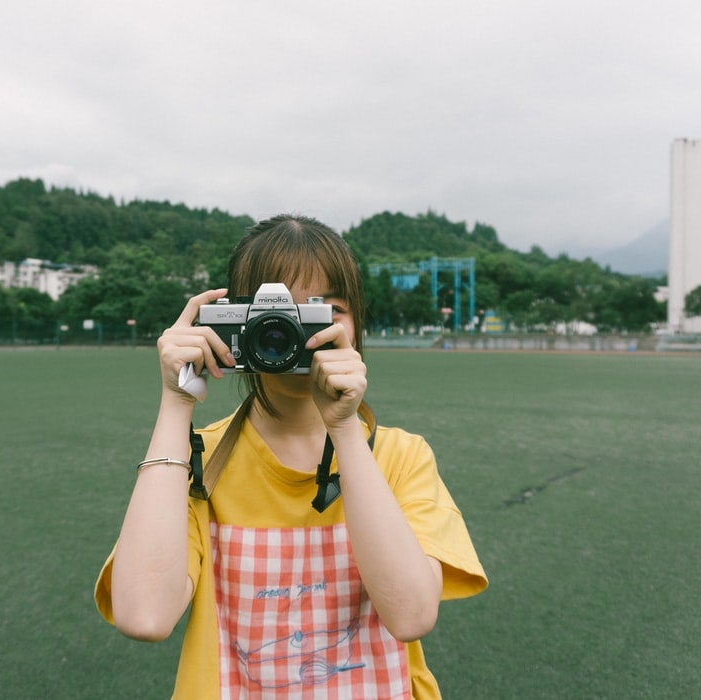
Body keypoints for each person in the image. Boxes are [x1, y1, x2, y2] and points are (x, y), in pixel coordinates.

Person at [95, 214, 487, 698]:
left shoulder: (400, 456)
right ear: (232, 323)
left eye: (324, 310)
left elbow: (410, 615)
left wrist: (344, 427)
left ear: (355, 323)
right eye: (273, 316)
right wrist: (177, 403)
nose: (291, 332)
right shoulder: (202, 459)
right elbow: (144, 615)